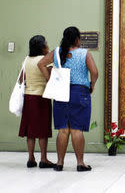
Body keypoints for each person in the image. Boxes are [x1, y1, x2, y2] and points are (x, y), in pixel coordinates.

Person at [38, 26, 98, 172]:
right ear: (77, 39)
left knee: (63, 130)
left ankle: (59, 163)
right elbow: (94, 72)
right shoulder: (84, 53)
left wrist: (49, 79)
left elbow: (41, 64)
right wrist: (92, 84)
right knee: (77, 130)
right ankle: (80, 163)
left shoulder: (58, 52)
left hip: (61, 92)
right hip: (80, 92)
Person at [18, 35, 55, 169]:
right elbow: (49, 78)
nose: (48, 45)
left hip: (28, 97)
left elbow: (22, 79)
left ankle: (31, 158)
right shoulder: (43, 60)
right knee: (43, 130)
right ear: (42, 46)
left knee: (30, 130)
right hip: (41, 97)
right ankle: (43, 159)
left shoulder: (27, 59)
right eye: (46, 43)